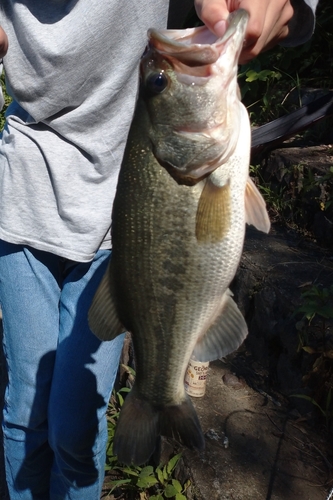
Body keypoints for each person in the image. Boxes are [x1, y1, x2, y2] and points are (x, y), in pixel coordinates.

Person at [0, 1, 318, 499]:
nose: (164, 68)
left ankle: (153, 397)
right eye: (160, 81)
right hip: (24, 198)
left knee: (76, 417)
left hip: (119, 233)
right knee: (24, 410)